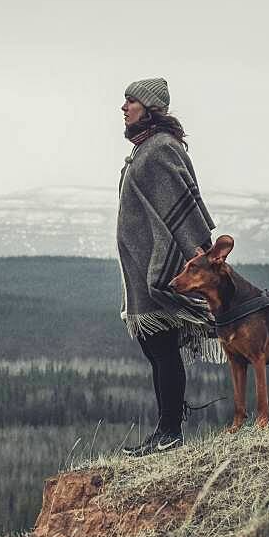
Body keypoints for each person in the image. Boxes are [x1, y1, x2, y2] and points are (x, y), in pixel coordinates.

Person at [115, 77, 223, 457]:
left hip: (162, 271)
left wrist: (197, 262)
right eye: (124, 102)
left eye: (130, 102)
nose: (123, 108)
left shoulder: (160, 149)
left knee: (161, 349)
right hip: (144, 272)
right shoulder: (148, 149)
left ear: (150, 108)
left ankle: (170, 433)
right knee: (155, 348)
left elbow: (181, 211)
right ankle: (165, 431)